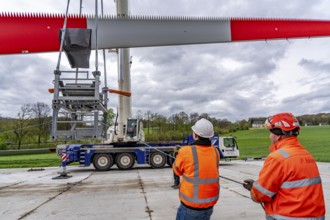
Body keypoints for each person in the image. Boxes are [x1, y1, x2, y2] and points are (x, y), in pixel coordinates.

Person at [243, 112, 326, 219]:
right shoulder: (306, 155)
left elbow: (261, 195)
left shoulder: (277, 158)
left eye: (270, 132)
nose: (270, 136)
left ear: (278, 135)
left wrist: (254, 189)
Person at [172, 118, 220, 220]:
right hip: (209, 206)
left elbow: (177, 171)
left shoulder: (185, 151)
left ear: (195, 135)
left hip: (190, 207)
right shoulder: (215, 152)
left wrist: (177, 155)